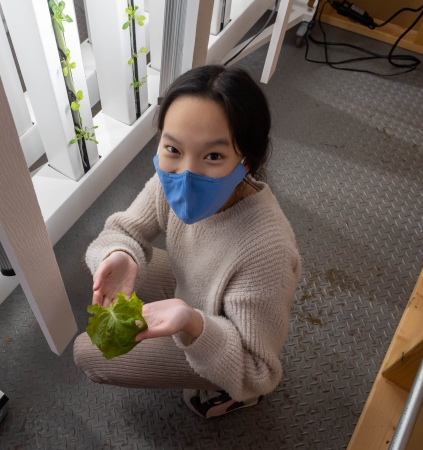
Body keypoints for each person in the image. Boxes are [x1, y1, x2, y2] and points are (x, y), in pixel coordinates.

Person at [73, 64, 301, 419]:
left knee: (89, 354)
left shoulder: (266, 250)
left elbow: (260, 371)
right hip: (198, 289)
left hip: (231, 340)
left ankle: (229, 393)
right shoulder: (170, 180)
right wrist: (121, 253)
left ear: (248, 160)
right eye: (173, 148)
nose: (186, 173)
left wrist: (194, 325)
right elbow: (123, 230)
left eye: (213, 156)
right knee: (126, 268)